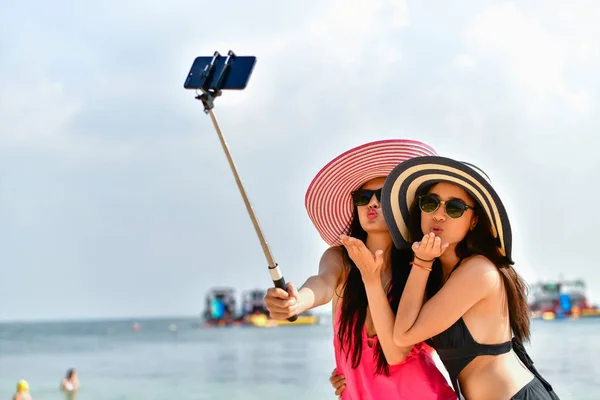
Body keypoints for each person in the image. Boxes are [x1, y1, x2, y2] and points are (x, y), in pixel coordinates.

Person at [263, 139, 457, 399]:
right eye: (363, 197)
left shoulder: (423, 264)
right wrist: (296, 302)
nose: (372, 203)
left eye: (384, 195)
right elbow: (322, 282)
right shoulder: (341, 258)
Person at [376, 155, 559, 399]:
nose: (439, 215)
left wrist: (422, 262)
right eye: (430, 203)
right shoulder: (436, 276)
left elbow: (402, 336)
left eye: (454, 208)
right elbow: (398, 345)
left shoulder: (478, 271)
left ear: (474, 221)